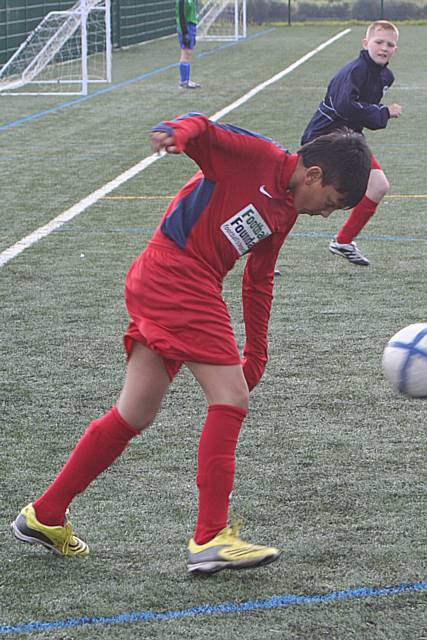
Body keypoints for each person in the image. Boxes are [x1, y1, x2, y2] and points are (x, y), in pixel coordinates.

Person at [10, 113, 372, 575]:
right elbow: (202, 128)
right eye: (331, 203)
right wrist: (174, 132)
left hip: (173, 281)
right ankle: (210, 537)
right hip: (176, 276)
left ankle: (46, 513)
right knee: (230, 398)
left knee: (134, 413)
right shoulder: (259, 156)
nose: (325, 213)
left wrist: (256, 352)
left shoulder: (284, 211)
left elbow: (259, 281)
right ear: (314, 174)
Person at [302, 20, 402, 266]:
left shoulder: (386, 76)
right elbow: (346, 107)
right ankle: (263, 254)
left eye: (390, 44)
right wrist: (384, 112)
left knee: (378, 185)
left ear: (395, 49)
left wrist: (380, 114)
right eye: (379, 42)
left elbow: (363, 115)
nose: (384, 47)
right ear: (366, 43)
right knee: (299, 198)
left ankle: (343, 241)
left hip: (350, 140)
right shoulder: (353, 72)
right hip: (323, 139)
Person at [176, 0, 200, 89]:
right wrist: (185, 32)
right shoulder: (182, 1)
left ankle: (186, 80)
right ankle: (184, 81)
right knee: (186, 53)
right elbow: (181, 16)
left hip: (191, 25)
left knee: (188, 53)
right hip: (186, 27)